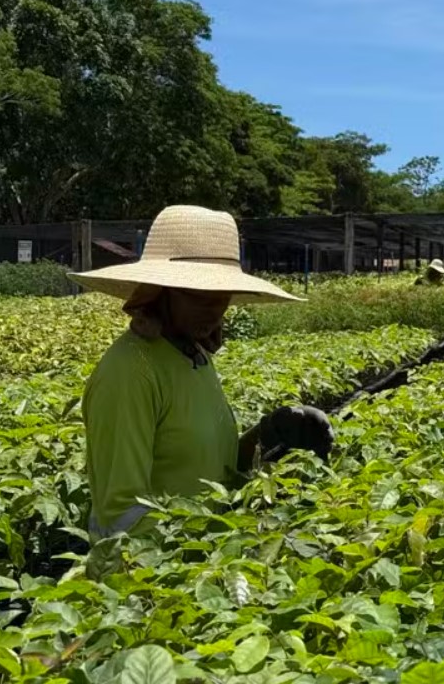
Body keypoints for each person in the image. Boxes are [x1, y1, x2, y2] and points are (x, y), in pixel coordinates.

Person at [71, 205, 335, 540]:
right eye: (199, 296)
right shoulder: (129, 373)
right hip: (150, 583)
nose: (214, 311)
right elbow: (122, 512)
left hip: (204, 567)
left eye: (220, 296)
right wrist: (217, 545)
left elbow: (204, 469)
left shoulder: (193, 354)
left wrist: (266, 435)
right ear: (160, 291)